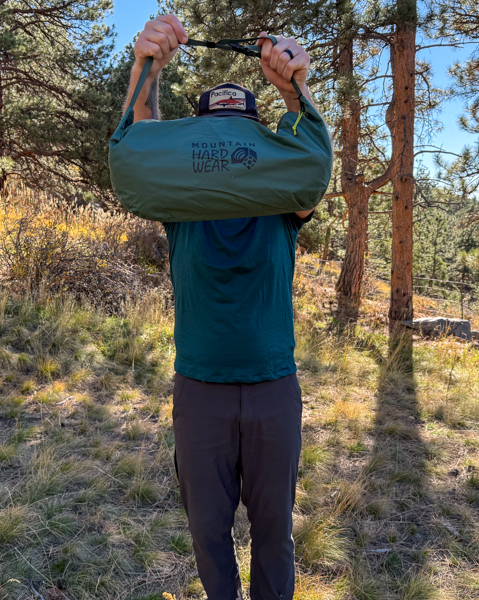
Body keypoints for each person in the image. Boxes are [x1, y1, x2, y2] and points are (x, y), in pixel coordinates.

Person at [122, 15, 325, 600]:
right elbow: (145, 135)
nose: (229, 153)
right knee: (207, 533)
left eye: (242, 139)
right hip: (201, 390)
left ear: (259, 144)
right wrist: (147, 69)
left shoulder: (285, 199)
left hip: (272, 389)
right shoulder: (180, 201)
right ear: (195, 148)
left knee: (274, 535)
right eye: (217, 139)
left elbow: (310, 162)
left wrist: (294, 85)